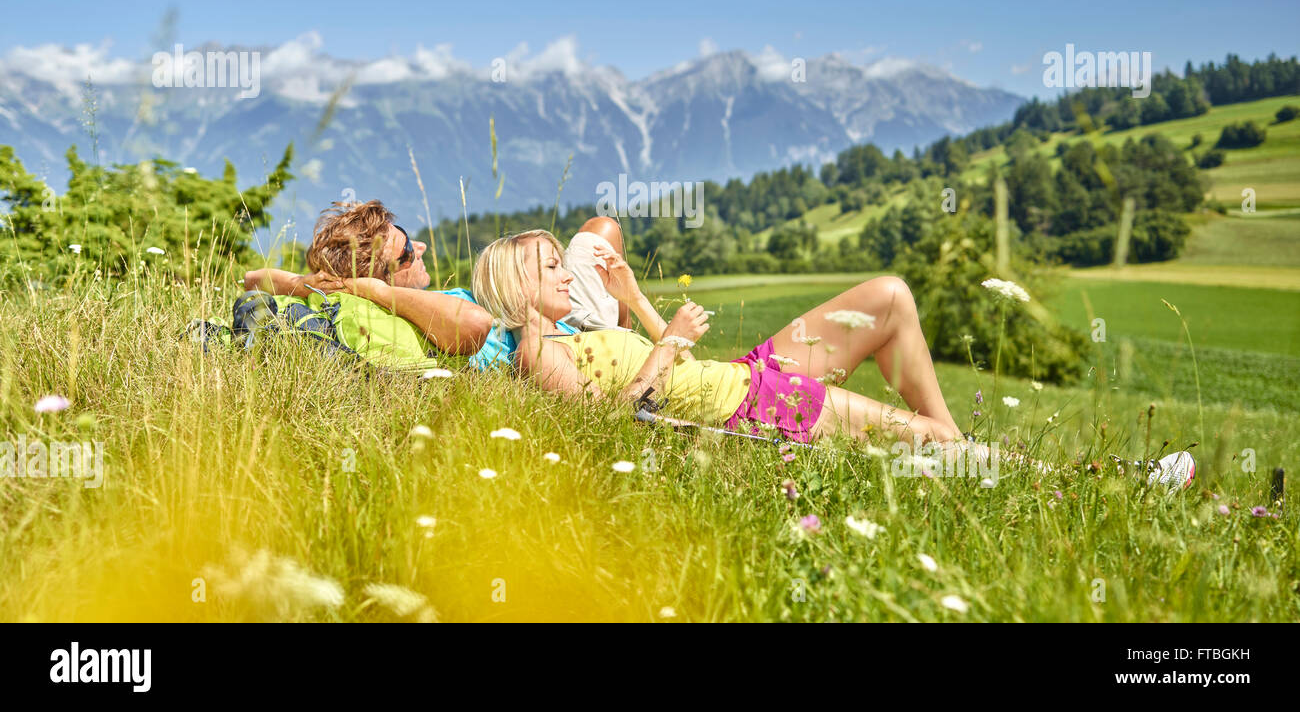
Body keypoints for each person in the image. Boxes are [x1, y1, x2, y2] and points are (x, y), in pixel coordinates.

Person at [469, 228, 1198, 490]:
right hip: (751, 407)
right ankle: (1110, 483)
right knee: (936, 441)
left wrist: (634, 295)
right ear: (517, 287)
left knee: (890, 295)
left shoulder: (571, 333)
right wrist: (663, 344)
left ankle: (957, 449)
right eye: (548, 267)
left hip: (744, 374)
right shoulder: (538, 353)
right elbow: (621, 424)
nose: (567, 272)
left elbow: (672, 354)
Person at [243, 201, 633, 368]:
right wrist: (376, 292)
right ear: (383, 279)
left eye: (408, 236)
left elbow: (253, 278)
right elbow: (475, 325)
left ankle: (618, 317)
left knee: (601, 230)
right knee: (604, 239)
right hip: (562, 342)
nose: (422, 246)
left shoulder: (358, 289)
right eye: (408, 253)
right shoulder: (405, 308)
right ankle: (619, 324)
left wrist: (310, 284)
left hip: (547, 309)